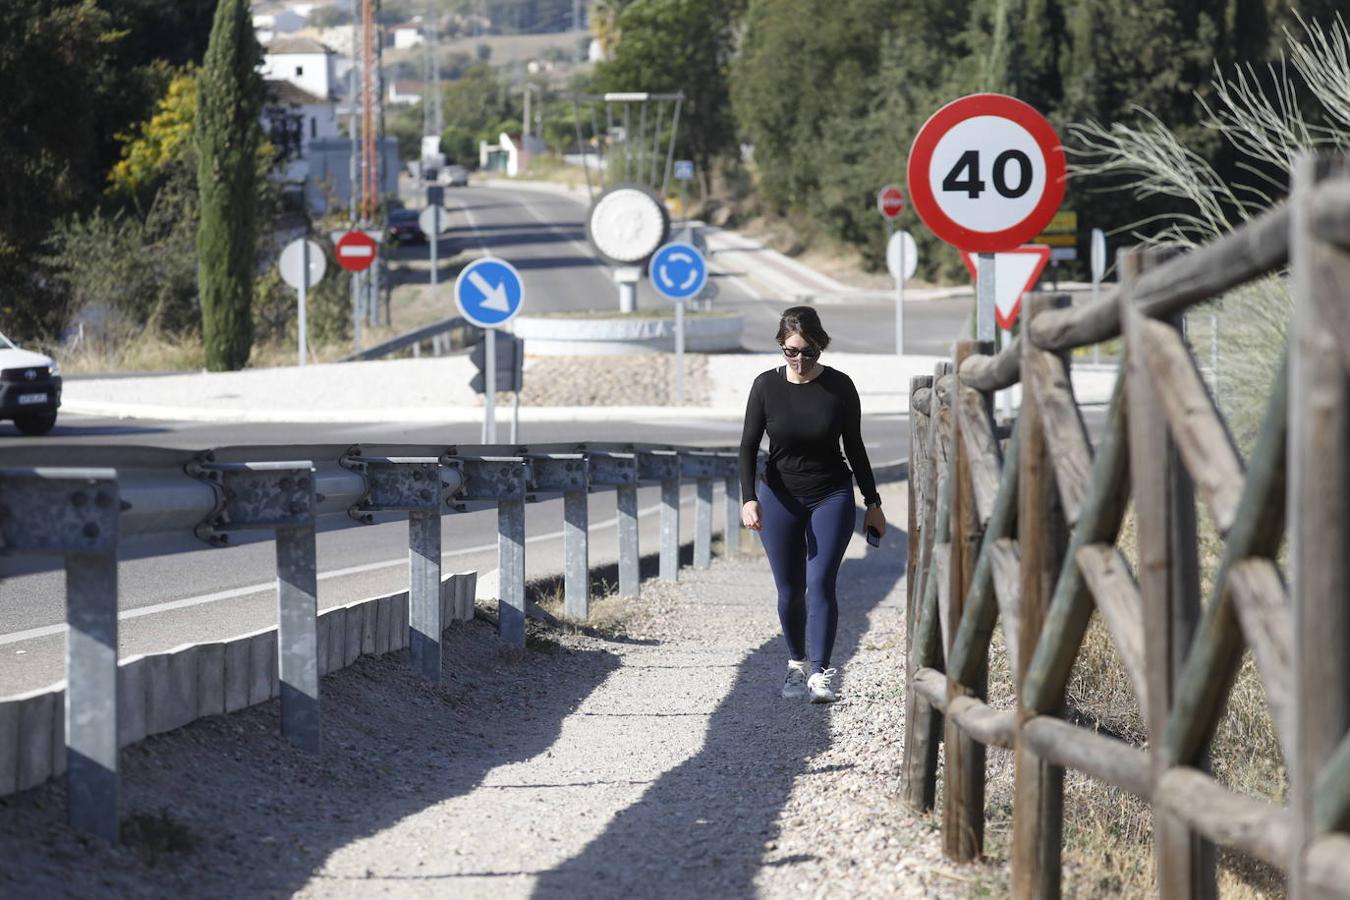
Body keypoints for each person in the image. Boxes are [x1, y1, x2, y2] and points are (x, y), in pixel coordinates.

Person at [738, 306, 885, 704]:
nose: (800, 360)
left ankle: (820, 674)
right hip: (779, 495)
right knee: (790, 589)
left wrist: (872, 502)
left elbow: (854, 447)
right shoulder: (765, 387)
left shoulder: (840, 387)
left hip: (831, 493)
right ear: (781, 347)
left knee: (820, 582)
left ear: (821, 347)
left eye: (809, 352)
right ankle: (796, 663)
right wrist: (748, 499)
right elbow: (749, 447)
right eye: (792, 351)